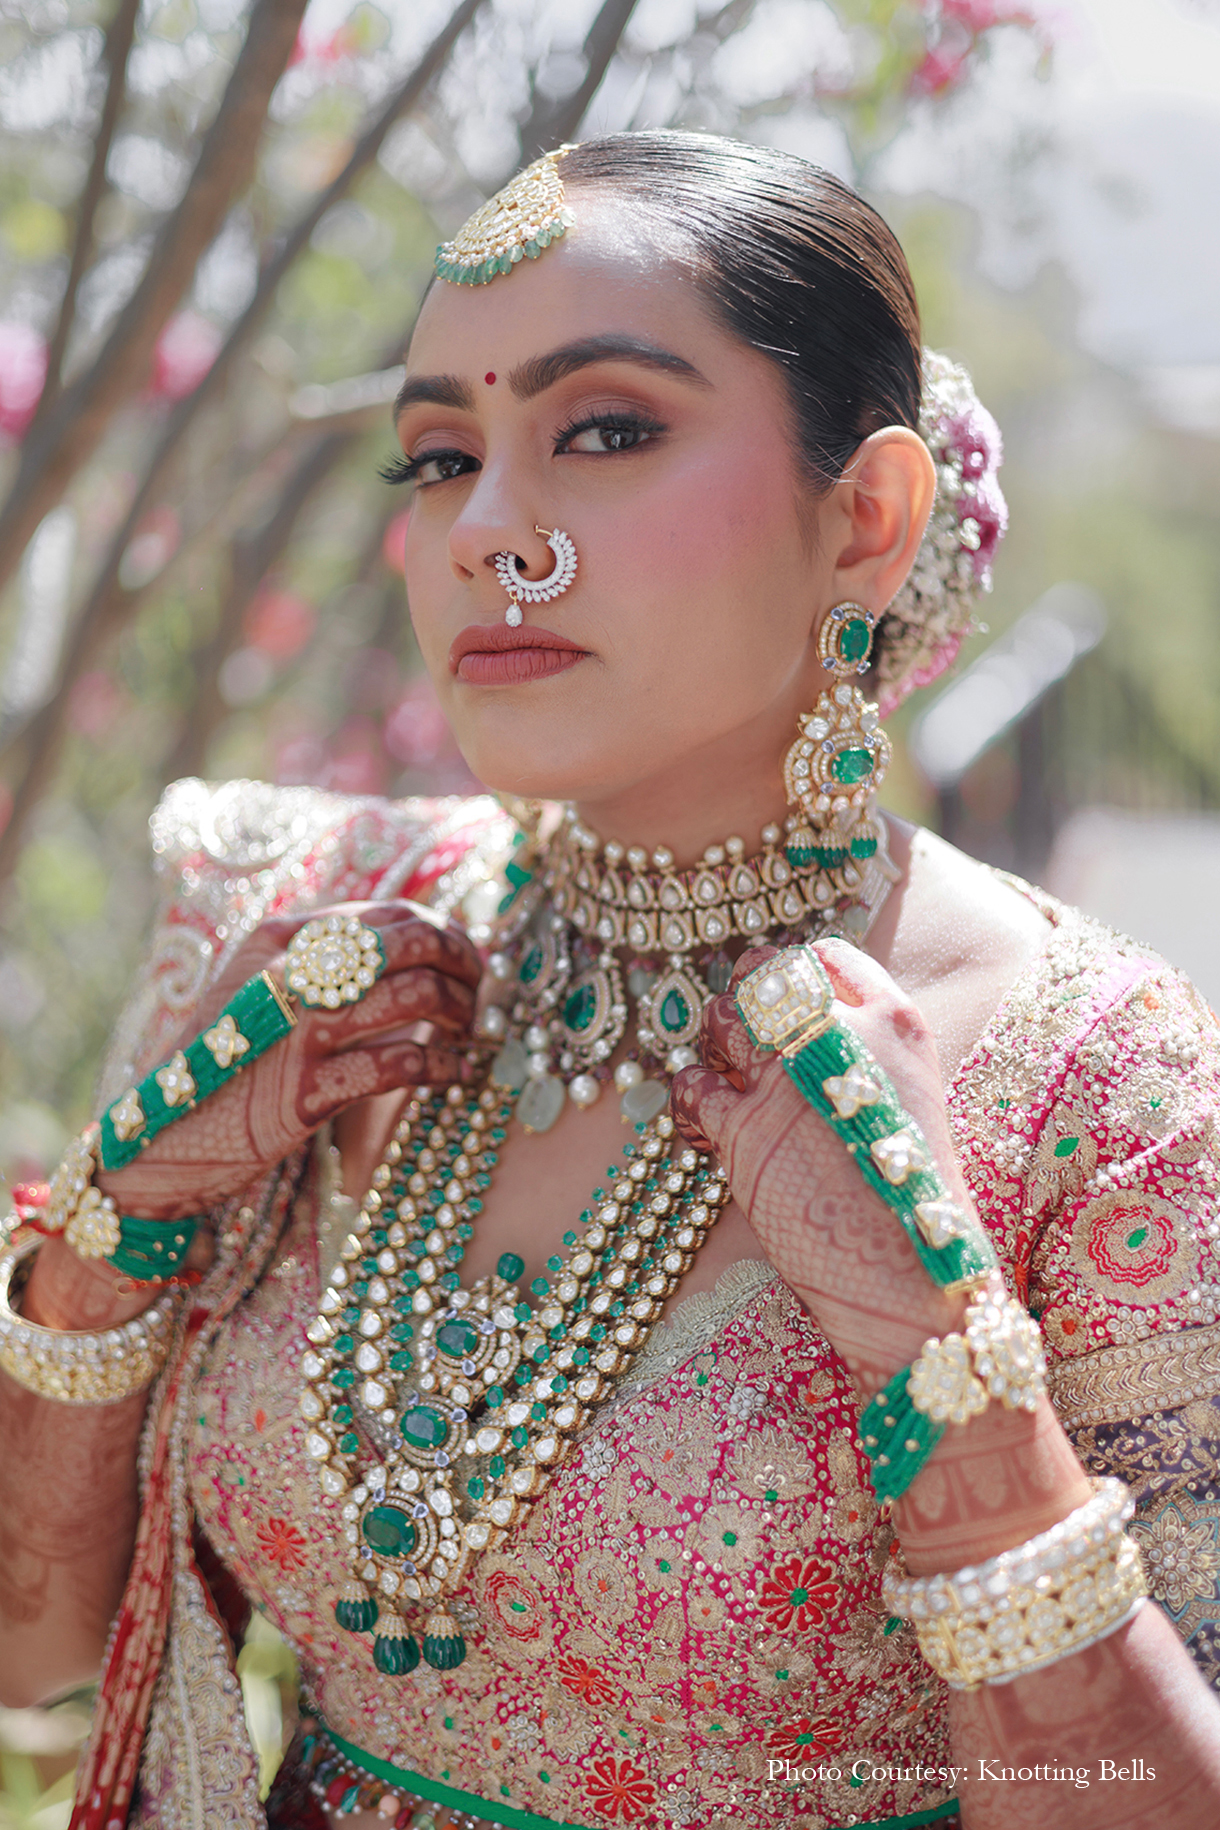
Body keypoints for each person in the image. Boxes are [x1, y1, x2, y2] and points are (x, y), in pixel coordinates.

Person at [2, 132, 1219, 1830]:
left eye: (607, 430)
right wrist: (113, 1226)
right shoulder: (302, 936)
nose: (490, 533)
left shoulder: (1095, 1077)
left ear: (865, 520)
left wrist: (944, 1360)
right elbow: (35, 1645)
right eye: (440, 457)